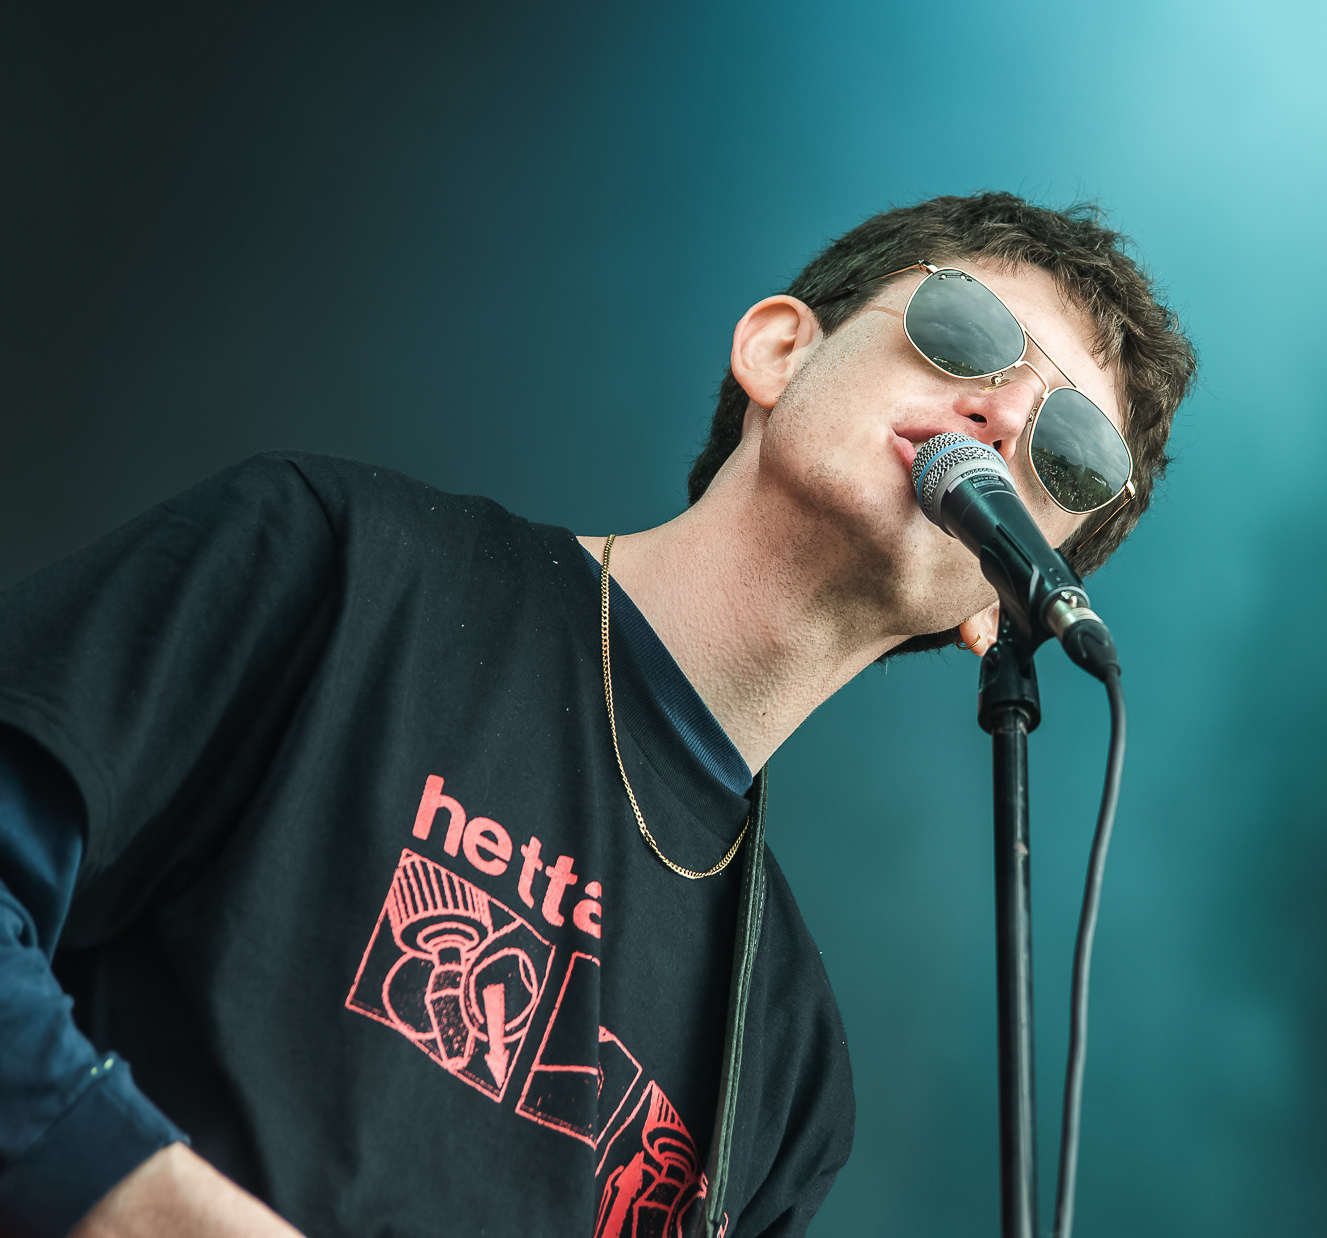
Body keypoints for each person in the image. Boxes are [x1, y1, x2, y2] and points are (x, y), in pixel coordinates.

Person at [0, 192, 1197, 1238]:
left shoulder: (787, 1063)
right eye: (967, 332)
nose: (1006, 414)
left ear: (1003, 601)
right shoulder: (333, 565)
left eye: (1071, 452)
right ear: (779, 349)